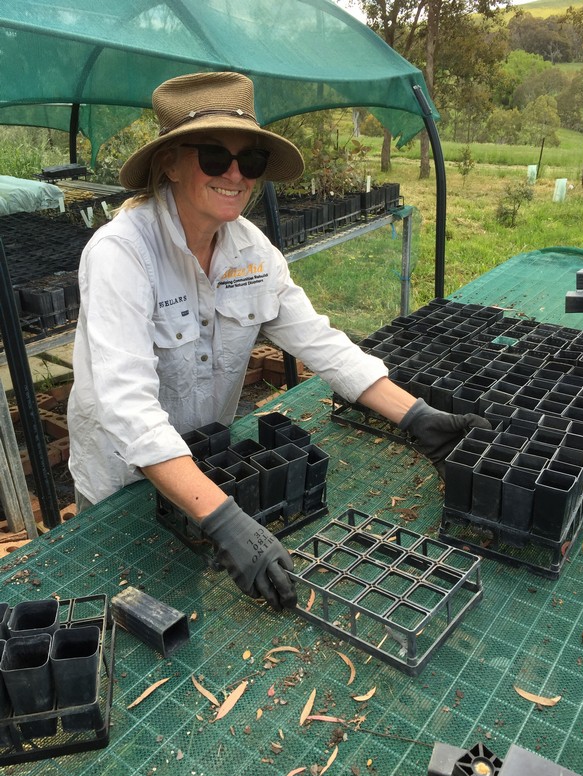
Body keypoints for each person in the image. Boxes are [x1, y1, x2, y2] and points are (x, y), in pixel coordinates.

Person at [67, 71, 489, 611]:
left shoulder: (251, 251)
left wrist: (417, 417)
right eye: (214, 157)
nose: (235, 175)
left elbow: (319, 341)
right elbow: (127, 407)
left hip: (201, 469)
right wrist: (224, 519)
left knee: (187, 609)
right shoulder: (122, 255)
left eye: (251, 161)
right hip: (121, 483)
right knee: (120, 613)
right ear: (168, 163)